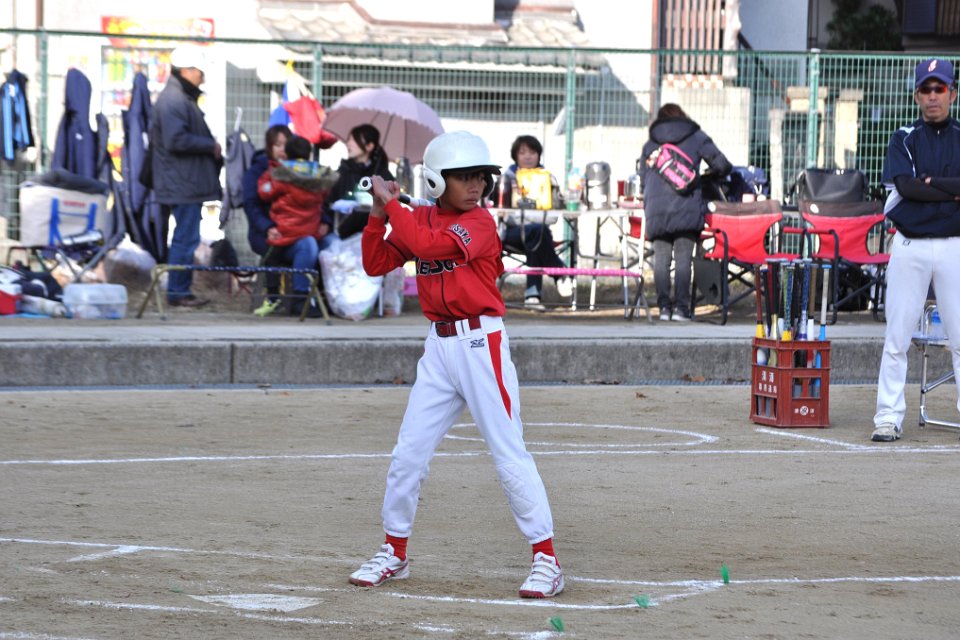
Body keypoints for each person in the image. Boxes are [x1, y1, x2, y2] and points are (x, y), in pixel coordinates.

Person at [351, 130, 564, 599]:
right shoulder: (421, 218)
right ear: (435, 181)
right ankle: (394, 551)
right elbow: (375, 262)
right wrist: (377, 212)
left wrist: (394, 205)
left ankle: (547, 559)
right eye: (464, 177)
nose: (476, 185)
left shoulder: (480, 223)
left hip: (481, 345)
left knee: (508, 452)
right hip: (439, 349)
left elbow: (428, 248)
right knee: (408, 454)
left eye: (481, 177)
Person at [872, 58, 960, 442]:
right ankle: (887, 417)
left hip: (955, 245)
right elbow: (906, 187)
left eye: (940, 88)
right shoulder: (904, 137)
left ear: (952, 93)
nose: (933, 96)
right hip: (909, 245)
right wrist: (950, 191)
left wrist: (929, 182)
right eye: (926, 89)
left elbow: (918, 186)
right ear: (916, 96)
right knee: (898, 337)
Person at [639, 103, 731, 322]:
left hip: (657, 209)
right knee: (683, 258)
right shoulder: (695, 136)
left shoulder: (651, 143)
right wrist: (705, 177)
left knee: (661, 259)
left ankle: (664, 309)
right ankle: (681, 309)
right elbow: (722, 165)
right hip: (686, 204)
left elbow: (643, 179)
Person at [151, 44, 223, 307]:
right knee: (186, 237)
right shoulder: (175, 100)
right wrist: (209, 145)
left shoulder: (179, 97)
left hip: (183, 180)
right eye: (200, 73)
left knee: (186, 236)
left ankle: (180, 289)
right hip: (182, 182)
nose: (202, 78)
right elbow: (176, 139)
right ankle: (178, 291)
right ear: (187, 70)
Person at [257, 134, 338, 317]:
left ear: (287, 153)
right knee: (320, 246)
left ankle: (278, 298)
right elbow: (326, 196)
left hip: (285, 234)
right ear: (309, 154)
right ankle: (321, 297)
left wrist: (268, 177)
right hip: (311, 232)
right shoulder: (318, 176)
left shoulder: (282, 174)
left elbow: (264, 192)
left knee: (271, 258)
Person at [501, 135, 573, 309]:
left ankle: (533, 297)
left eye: (532, 152)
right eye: (522, 152)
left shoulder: (548, 178)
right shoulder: (507, 178)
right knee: (538, 232)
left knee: (536, 237)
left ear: (539, 155)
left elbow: (553, 216)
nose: (527, 156)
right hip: (511, 234)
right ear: (515, 156)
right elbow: (507, 216)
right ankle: (560, 273)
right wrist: (536, 217)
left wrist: (527, 217)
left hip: (538, 235)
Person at [243, 124, 293, 314]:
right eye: (277, 145)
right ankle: (273, 297)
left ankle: (306, 300)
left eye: (286, 145)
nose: (282, 150)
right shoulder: (256, 172)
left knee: (312, 247)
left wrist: (325, 222)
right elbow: (251, 205)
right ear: (269, 147)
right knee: (274, 249)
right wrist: (267, 227)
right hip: (264, 232)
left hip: (294, 231)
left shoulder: (300, 169)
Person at [323, 124, 395, 239]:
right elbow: (327, 202)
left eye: (354, 140)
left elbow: (391, 209)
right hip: (338, 235)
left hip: (371, 236)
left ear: (369, 146)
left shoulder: (383, 176)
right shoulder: (342, 172)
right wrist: (326, 222)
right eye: (349, 139)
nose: (349, 144)